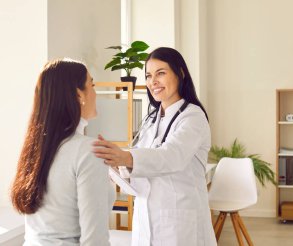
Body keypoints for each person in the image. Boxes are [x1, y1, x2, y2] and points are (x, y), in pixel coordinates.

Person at [93, 47, 217, 246]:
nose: (153, 82)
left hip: (180, 222)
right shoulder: (151, 120)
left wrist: (125, 157)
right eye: (148, 76)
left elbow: (171, 156)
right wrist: (113, 163)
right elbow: (139, 177)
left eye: (161, 73)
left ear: (180, 73)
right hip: (145, 221)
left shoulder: (193, 117)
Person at [10, 58, 115, 246]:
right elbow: (95, 240)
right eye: (92, 85)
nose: (95, 93)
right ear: (79, 95)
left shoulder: (35, 149)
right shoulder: (89, 151)